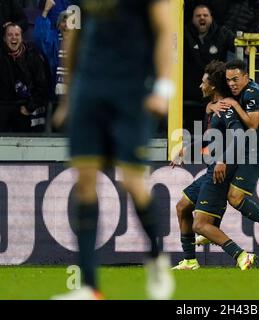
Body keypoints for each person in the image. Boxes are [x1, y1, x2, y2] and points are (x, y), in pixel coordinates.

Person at [51, 0, 175, 300]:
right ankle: (90, 288)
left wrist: (163, 88)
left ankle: (157, 257)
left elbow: (165, 29)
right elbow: (75, 35)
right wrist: (68, 100)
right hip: (88, 92)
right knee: (84, 184)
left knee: (133, 182)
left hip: (130, 94)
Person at [191, 59, 259, 256]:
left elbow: (252, 124)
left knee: (234, 197)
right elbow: (215, 102)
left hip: (253, 153)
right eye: (228, 80)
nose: (232, 84)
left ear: (245, 77)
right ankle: (211, 228)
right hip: (240, 152)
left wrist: (233, 104)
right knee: (221, 187)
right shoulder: (234, 91)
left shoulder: (252, 91)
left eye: (235, 79)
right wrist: (211, 107)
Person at [172, 60, 259, 271]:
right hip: (212, 170)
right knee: (183, 207)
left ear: (212, 86)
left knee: (201, 225)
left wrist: (222, 160)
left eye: (204, 82)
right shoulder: (214, 107)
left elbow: (240, 135)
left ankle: (242, 255)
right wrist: (187, 148)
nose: (200, 86)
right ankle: (190, 260)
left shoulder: (226, 110)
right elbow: (211, 137)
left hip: (220, 172)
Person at [183, 3, 235, 134]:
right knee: (193, 133)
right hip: (190, 97)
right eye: (198, 16)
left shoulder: (222, 33)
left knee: (214, 134)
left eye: (205, 15)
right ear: (192, 18)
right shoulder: (183, 32)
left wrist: (246, 48)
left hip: (214, 96)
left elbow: (237, 43)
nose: (202, 18)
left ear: (211, 18)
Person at [0, 23, 49, 132]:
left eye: (17, 35)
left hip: (24, 108)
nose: (14, 37)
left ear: (22, 38)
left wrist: (30, 106)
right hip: (2, 107)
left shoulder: (33, 56)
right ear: (4, 38)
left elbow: (42, 86)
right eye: (10, 35)